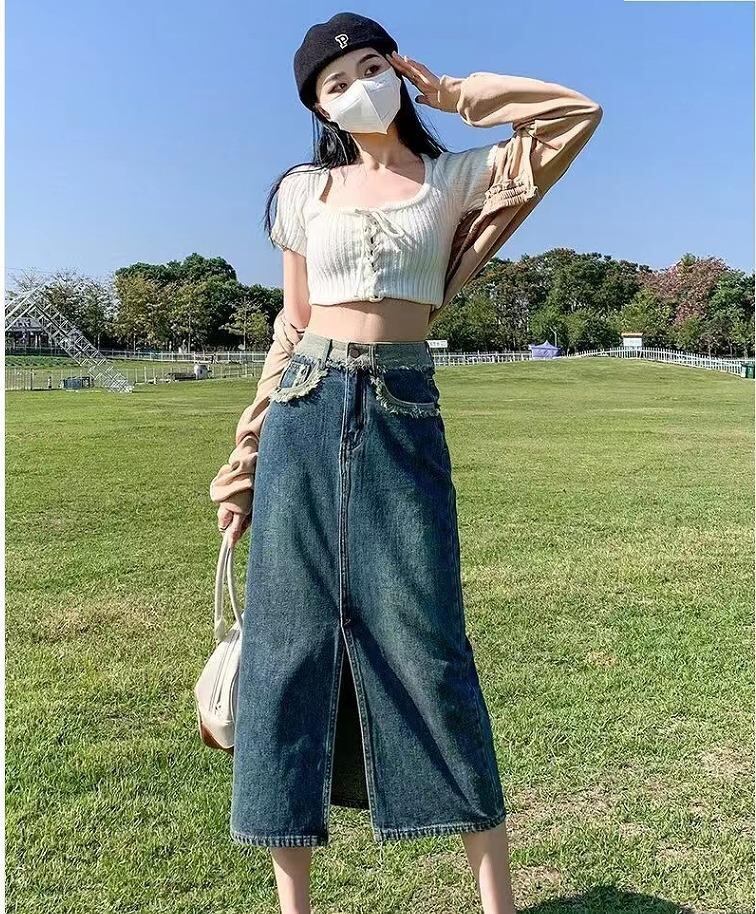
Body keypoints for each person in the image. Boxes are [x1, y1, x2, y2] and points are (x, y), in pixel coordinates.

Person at [212, 12, 602, 914]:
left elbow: (573, 116)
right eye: (335, 81)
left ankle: (498, 901)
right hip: (305, 408)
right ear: (319, 106)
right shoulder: (302, 192)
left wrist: (453, 93)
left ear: (398, 69)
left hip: (403, 406)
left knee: (430, 646)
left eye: (371, 66)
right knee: (285, 650)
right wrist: (243, 465)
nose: (358, 86)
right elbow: (290, 329)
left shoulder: (457, 178)